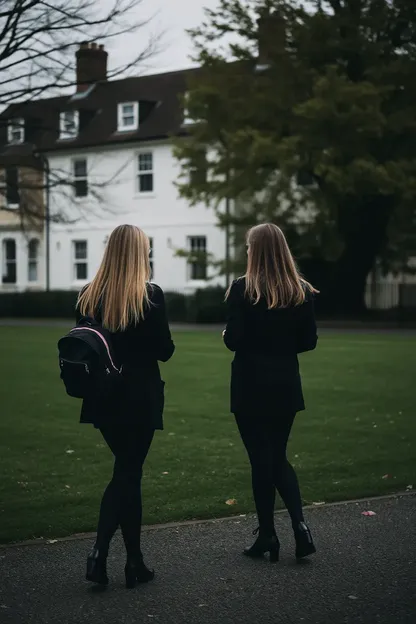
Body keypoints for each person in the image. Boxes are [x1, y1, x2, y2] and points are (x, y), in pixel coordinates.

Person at [76, 224, 175, 588]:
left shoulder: (88, 296)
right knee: (127, 474)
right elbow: (164, 350)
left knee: (128, 472)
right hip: (139, 397)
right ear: (139, 253)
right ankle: (99, 553)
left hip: (103, 399)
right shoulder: (149, 296)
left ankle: (134, 562)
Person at [223, 223, 318, 563]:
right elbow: (308, 342)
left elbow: (233, 339)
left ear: (254, 250)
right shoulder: (301, 290)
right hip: (285, 381)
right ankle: (300, 525)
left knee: (260, 459)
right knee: (276, 456)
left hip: (250, 382)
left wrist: (230, 335)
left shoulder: (243, 288)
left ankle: (268, 535)